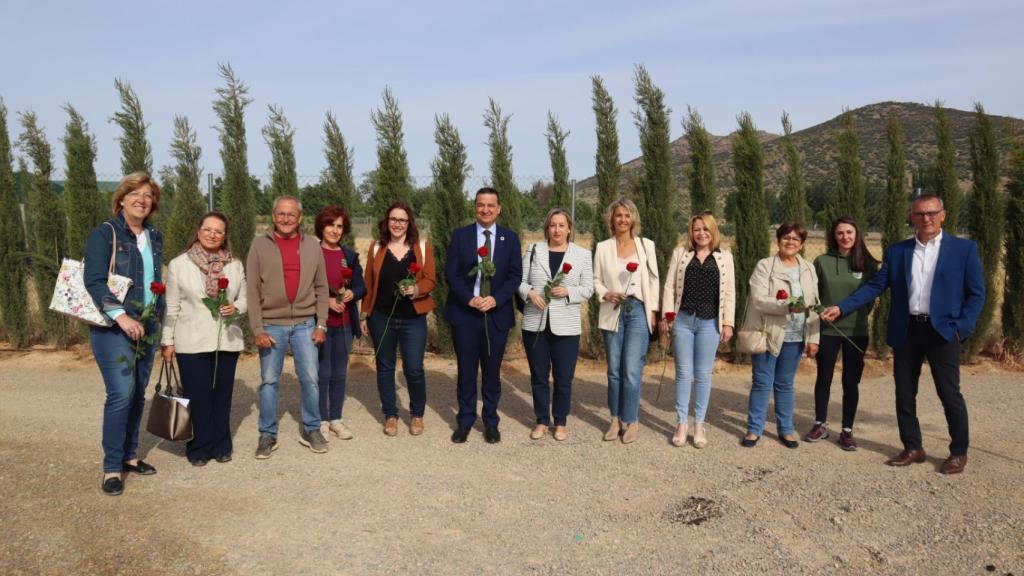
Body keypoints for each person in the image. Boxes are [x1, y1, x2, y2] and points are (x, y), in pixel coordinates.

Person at [821, 194, 985, 474]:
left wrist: (961, 328)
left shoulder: (963, 249)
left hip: (943, 332)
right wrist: (843, 307)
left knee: (949, 394)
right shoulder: (899, 251)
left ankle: (958, 451)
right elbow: (875, 286)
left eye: (932, 213)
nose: (927, 219)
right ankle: (913, 447)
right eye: (920, 214)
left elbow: (977, 294)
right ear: (912, 217)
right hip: (907, 330)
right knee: (904, 393)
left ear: (943, 215)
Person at [84, 171, 165, 495]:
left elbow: (156, 282)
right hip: (114, 328)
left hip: (147, 326)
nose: (142, 199)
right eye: (135, 193)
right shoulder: (105, 234)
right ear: (121, 198)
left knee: (137, 394)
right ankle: (112, 468)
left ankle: (130, 456)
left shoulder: (154, 236)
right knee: (120, 395)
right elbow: (93, 280)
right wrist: (121, 316)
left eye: (148, 195)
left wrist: (160, 325)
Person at [247, 195, 331, 458]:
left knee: (311, 379)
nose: (285, 219)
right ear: (273, 216)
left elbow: (321, 286)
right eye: (281, 214)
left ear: (299, 218)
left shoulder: (312, 246)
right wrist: (258, 329)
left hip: (306, 324)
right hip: (271, 324)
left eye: (291, 215)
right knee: (269, 381)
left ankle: (311, 428)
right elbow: (252, 289)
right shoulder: (259, 245)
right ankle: (267, 434)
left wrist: (322, 324)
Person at [161, 212, 247, 466]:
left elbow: (245, 297)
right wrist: (167, 341)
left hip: (226, 341)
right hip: (191, 341)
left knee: (222, 396)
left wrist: (237, 308)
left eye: (218, 231)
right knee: (198, 397)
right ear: (198, 232)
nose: (212, 234)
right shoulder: (179, 264)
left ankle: (222, 445)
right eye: (208, 229)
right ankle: (198, 446)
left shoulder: (234, 264)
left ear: (224, 236)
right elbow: (172, 306)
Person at [445, 187, 522, 444]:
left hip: (495, 315)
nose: (485, 210)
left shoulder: (509, 239)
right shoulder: (461, 236)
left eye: (490, 205)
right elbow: (452, 274)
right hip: (466, 314)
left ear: (499, 208)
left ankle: (490, 422)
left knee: (491, 373)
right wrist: (470, 298)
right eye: (481, 205)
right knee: (466, 372)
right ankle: (465, 421)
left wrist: (496, 299)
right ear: (475, 207)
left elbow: (514, 276)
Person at [740, 222, 820, 449]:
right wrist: (788, 304)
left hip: (796, 336)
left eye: (796, 239)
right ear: (778, 240)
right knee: (762, 382)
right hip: (769, 333)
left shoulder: (808, 269)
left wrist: (814, 338)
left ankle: (786, 429)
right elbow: (759, 298)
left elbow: (815, 304)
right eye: (786, 237)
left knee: (785, 384)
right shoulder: (765, 266)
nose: (791, 242)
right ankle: (754, 429)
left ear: (802, 243)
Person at [660, 212, 735, 448]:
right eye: (696, 229)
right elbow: (669, 285)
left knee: (703, 374)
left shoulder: (724, 258)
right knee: (683, 372)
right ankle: (681, 423)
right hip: (683, 320)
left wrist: (728, 323)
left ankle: (699, 424)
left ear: (713, 231)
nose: (701, 233)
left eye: (705, 229)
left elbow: (731, 292)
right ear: (691, 232)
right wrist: (667, 316)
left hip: (710, 322)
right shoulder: (680, 254)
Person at [361, 202, 436, 437]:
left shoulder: (422, 247)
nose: (397, 224)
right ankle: (391, 415)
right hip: (381, 318)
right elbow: (368, 284)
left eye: (402, 220)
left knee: (413, 369)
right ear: (386, 221)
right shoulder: (376, 248)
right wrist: (364, 314)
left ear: (409, 223)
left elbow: (431, 280)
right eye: (393, 219)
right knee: (385, 368)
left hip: (413, 319)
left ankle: (416, 415)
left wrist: (416, 289)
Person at [518, 208, 593, 441]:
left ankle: (560, 421)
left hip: (567, 326)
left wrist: (568, 291)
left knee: (563, 377)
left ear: (569, 228)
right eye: (553, 225)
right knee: (539, 376)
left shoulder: (582, 254)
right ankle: (541, 420)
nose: (557, 229)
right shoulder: (533, 250)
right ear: (547, 228)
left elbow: (588, 288)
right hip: (535, 324)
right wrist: (529, 293)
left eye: (562, 225)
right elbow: (519, 281)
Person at [805, 217, 878, 450]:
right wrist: (821, 313)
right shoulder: (822, 262)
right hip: (828, 331)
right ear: (833, 236)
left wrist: (851, 315)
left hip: (856, 332)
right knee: (824, 378)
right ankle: (820, 424)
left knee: (850, 381)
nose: (845, 237)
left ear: (857, 234)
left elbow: (869, 299)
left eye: (849, 232)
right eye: (840, 233)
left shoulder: (868, 263)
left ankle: (847, 430)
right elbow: (814, 296)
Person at [593, 198, 660, 444]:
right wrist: (605, 293)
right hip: (613, 309)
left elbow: (654, 280)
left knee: (631, 370)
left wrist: (653, 311)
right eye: (618, 215)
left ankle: (631, 421)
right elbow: (595, 279)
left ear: (633, 219)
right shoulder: (603, 247)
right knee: (613, 370)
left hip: (638, 310)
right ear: (611, 219)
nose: (623, 219)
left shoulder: (646, 246)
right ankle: (614, 419)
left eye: (627, 215)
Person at [314, 205, 366, 441]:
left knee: (339, 372)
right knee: (322, 372)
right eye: (330, 225)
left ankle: (336, 418)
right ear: (321, 227)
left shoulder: (349, 256)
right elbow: (305, 288)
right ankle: (321, 419)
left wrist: (352, 294)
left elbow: (360, 285)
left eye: (339, 226)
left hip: (345, 323)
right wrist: (325, 303)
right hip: (321, 323)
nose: (335, 230)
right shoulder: (312, 254)